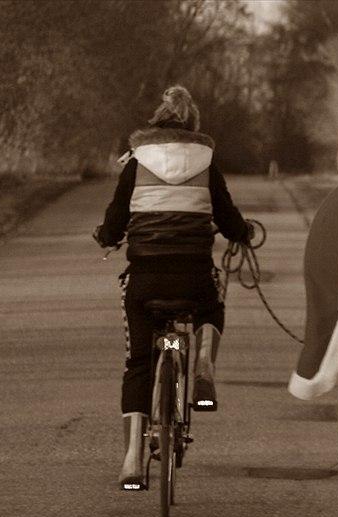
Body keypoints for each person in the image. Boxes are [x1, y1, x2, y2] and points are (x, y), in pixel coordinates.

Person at [93, 85, 252, 490]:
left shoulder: (136, 161)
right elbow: (229, 219)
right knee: (211, 307)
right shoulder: (207, 162)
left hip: (145, 278)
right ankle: (202, 364)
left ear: (156, 123)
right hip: (193, 274)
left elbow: (115, 219)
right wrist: (242, 233)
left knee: (138, 366)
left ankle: (132, 461)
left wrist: (106, 236)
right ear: (192, 127)